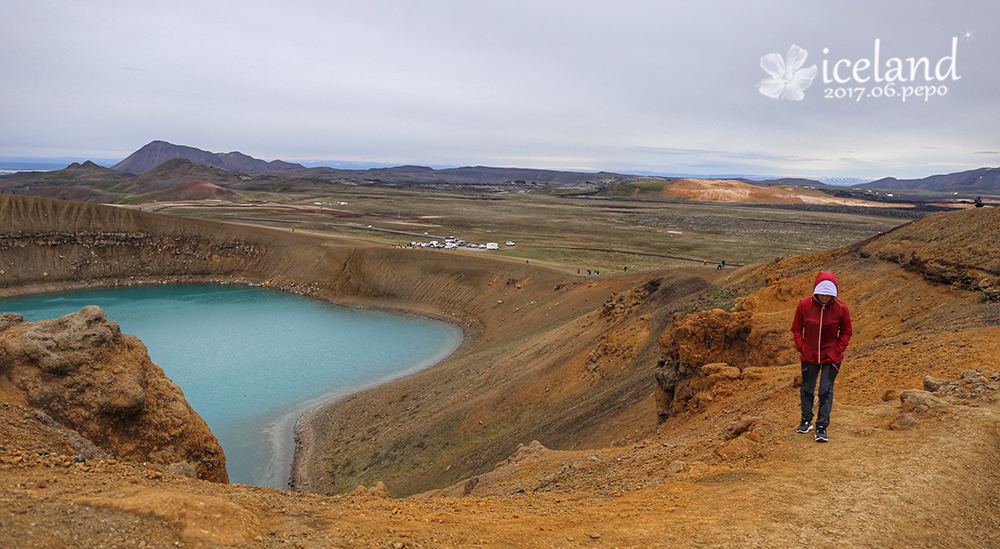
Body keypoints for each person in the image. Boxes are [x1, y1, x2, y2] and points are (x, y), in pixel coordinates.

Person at [791, 271, 853, 443]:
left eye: (829, 294)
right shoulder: (804, 305)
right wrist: (802, 347)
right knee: (807, 388)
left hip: (831, 356)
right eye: (822, 293)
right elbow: (797, 328)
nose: (825, 297)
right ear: (815, 290)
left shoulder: (841, 307)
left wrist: (839, 349)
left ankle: (821, 427)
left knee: (826, 390)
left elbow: (847, 331)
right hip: (809, 355)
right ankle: (806, 421)